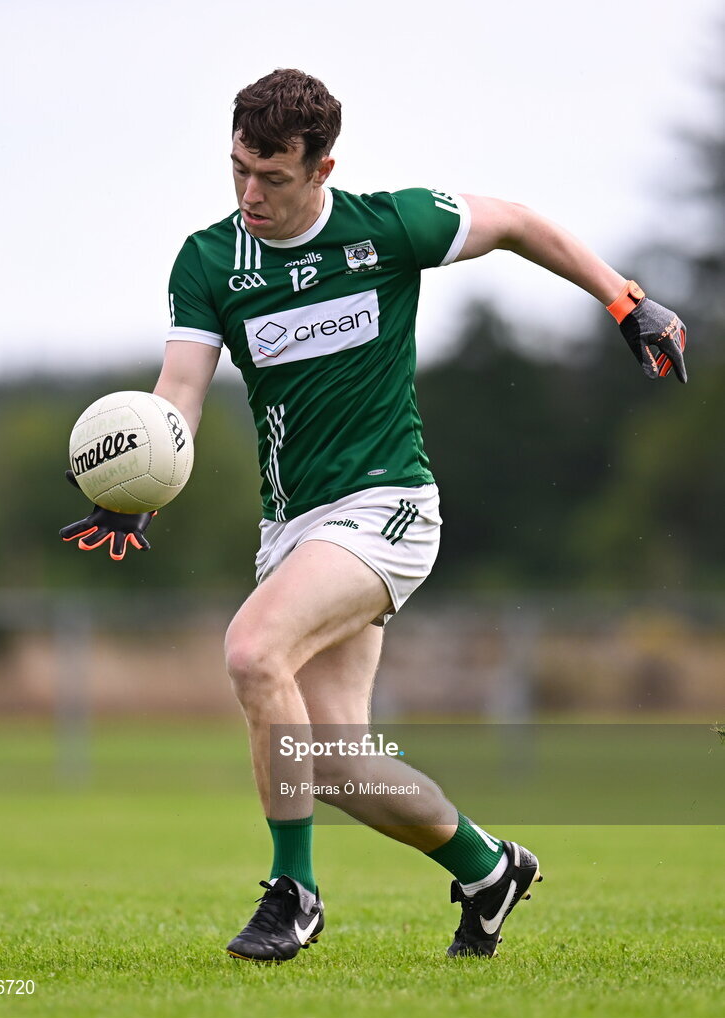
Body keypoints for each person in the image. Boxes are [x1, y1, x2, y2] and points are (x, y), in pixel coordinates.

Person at [60, 69, 687, 962]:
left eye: (272, 177)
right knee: (333, 764)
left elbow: (513, 221)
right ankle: (488, 867)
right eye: (238, 169)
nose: (250, 194)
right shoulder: (209, 261)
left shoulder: (387, 227)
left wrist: (624, 299)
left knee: (252, 651)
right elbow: (180, 398)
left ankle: (294, 892)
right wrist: (138, 487)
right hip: (293, 531)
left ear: (321, 169)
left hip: (389, 506)